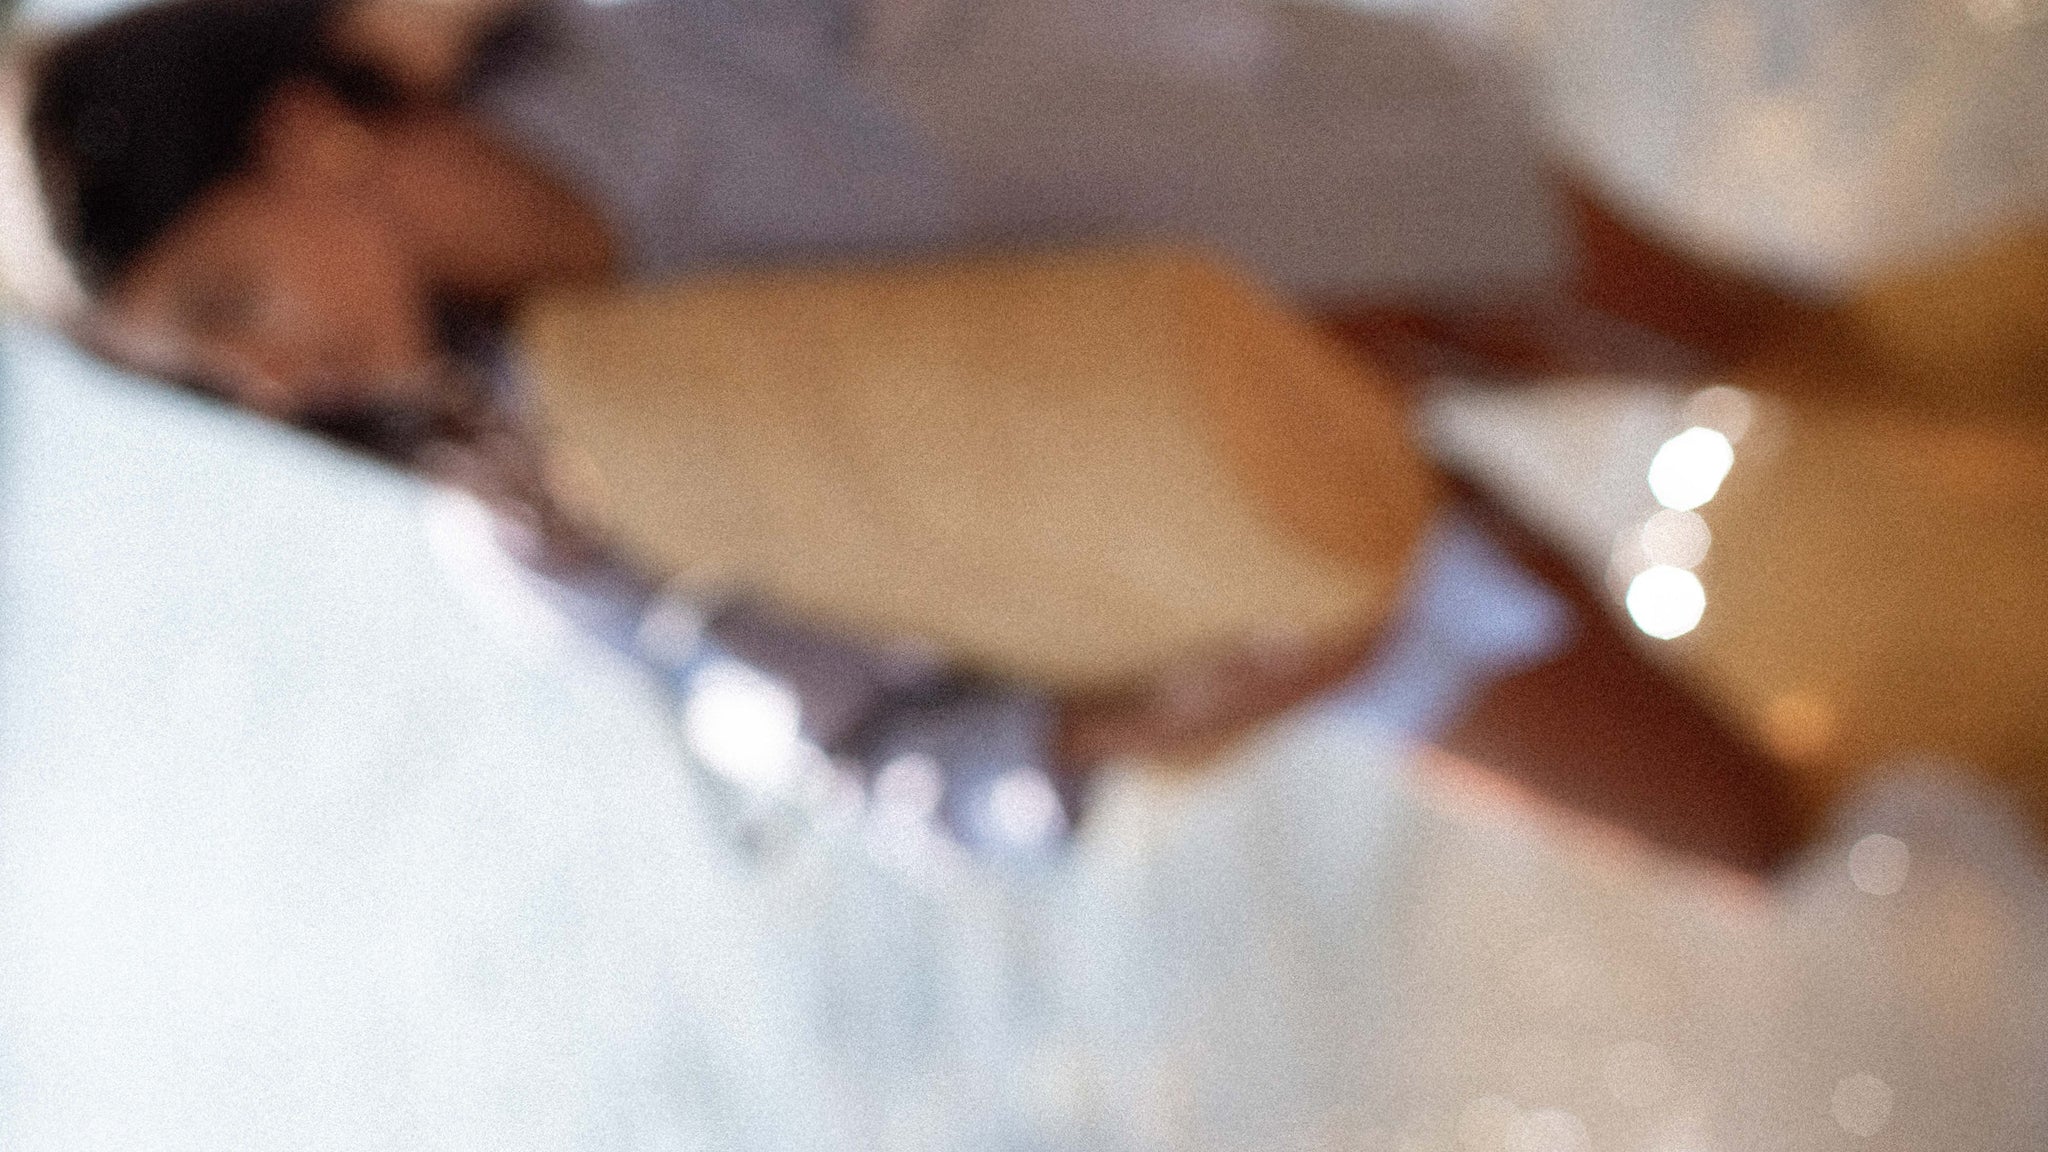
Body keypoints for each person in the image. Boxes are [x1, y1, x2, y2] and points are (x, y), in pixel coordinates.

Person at [1, 0, 1808, 867]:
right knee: (1762, 842)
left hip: (1331, 199)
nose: (268, 379)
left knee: (1808, 360)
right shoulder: (540, 506)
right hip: (1264, 561)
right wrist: (1157, 713)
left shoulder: (624, 35)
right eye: (208, 374)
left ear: (308, 136)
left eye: (230, 302)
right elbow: (857, 752)